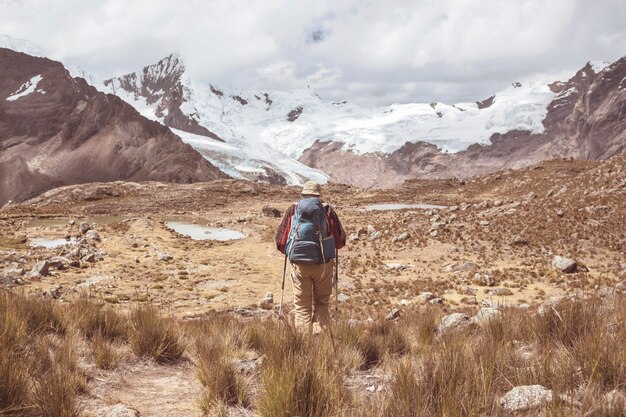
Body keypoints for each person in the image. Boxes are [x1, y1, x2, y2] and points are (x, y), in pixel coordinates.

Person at [275, 181, 346, 332]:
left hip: (300, 266)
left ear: (303, 194)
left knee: (301, 307)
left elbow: (280, 242)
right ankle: (319, 342)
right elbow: (340, 241)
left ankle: (303, 344)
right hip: (323, 266)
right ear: (319, 195)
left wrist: (295, 253)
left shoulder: (293, 210)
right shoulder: (326, 210)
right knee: (321, 304)